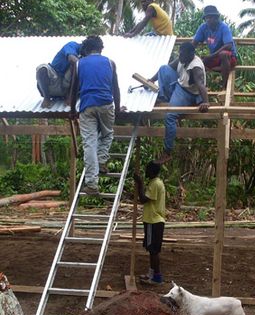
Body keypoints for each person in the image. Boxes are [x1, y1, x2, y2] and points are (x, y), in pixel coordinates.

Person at [71, 35, 123, 195]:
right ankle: (101, 161)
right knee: (107, 134)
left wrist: (72, 109)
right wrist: (118, 107)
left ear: (86, 49)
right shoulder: (110, 62)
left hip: (87, 106)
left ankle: (92, 184)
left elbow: (73, 89)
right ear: (101, 49)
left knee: (89, 143)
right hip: (106, 103)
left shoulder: (79, 64)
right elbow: (116, 88)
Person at [149, 42, 209, 164]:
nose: (180, 56)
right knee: (163, 68)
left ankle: (167, 152)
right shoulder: (182, 58)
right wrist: (151, 80)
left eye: (182, 54)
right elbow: (167, 69)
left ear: (190, 54)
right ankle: (165, 98)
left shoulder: (195, 67)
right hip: (180, 85)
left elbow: (201, 85)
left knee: (170, 116)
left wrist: (206, 102)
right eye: (179, 53)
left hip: (190, 94)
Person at [134, 161, 165, 285]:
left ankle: (157, 277)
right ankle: (152, 274)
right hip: (152, 220)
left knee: (153, 250)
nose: (145, 172)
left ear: (152, 172)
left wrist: (140, 183)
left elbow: (143, 199)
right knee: (151, 249)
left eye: (147, 170)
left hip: (154, 220)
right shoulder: (155, 182)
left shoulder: (155, 184)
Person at [192, 5, 237, 89]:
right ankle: (218, 70)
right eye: (206, 18)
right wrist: (190, 54)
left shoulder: (224, 27)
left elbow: (229, 45)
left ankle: (225, 85)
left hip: (229, 58)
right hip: (215, 59)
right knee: (198, 63)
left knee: (223, 54)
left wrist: (211, 56)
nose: (208, 20)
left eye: (210, 17)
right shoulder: (203, 27)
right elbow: (194, 42)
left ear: (216, 18)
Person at [36, 41, 82, 108]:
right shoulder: (72, 45)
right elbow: (72, 59)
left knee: (77, 68)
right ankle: (46, 98)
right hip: (54, 80)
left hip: (68, 85)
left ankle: (69, 96)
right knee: (42, 68)